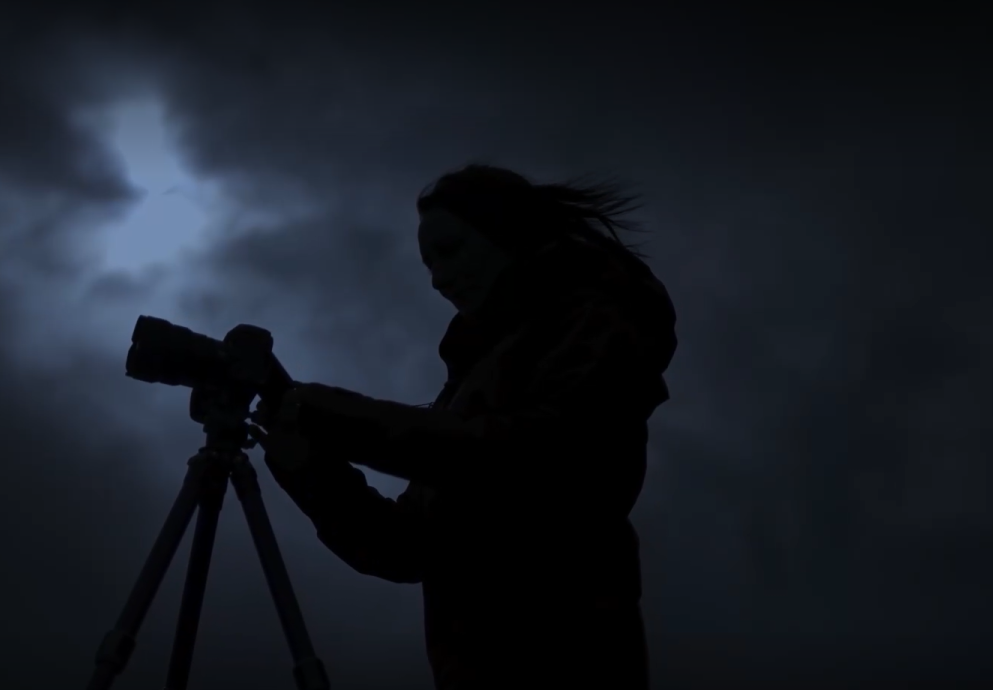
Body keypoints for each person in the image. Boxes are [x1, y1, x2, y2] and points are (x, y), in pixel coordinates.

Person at [252, 164, 677, 689]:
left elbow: (526, 456)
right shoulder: (468, 387)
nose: (437, 278)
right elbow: (404, 547)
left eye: (449, 251)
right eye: (428, 264)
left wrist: (322, 412)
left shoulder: (598, 323)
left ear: (507, 233)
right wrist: (306, 463)